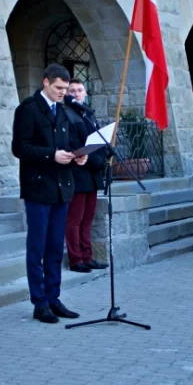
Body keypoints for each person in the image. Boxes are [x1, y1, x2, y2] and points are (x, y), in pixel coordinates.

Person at [11, 64, 85, 324]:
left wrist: (79, 155)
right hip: (38, 188)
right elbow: (20, 148)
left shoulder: (62, 110)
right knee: (38, 247)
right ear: (45, 82)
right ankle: (39, 302)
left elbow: (67, 143)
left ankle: (54, 298)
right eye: (58, 88)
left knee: (55, 247)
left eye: (65, 88)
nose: (63, 92)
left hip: (61, 187)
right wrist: (51, 155)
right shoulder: (28, 109)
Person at [64, 79, 109, 274]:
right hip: (78, 174)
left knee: (88, 219)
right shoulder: (66, 115)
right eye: (72, 90)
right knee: (75, 220)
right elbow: (73, 144)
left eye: (79, 90)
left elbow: (100, 142)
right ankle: (76, 259)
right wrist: (94, 159)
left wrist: (102, 158)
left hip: (92, 174)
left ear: (85, 93)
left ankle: (88, 257)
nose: (76, 93)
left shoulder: (88, 114)